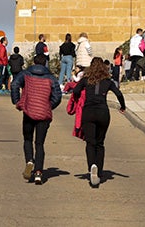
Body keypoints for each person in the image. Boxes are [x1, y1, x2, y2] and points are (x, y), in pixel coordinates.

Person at [71, 57, 126, 188]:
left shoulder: (85, 80)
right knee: (100, 143)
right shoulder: (108, 81)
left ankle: (92, 167)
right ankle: (99, 172)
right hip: (102, 112)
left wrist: (79, 99)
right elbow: (118, 93)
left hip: (88, 112)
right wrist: (122, 106)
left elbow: (76, 91)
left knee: (90, 142)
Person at [11, 53, 62, 185]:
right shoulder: (51, 78)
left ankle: (29, 161)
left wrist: (17, 101)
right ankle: (39, 173)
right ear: (45, 63)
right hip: (43, 114)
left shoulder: (25, 74)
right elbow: (58, 96)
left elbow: (14, 85)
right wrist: (48, 106)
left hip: (28, 112)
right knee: (39, 144)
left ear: (33, 62)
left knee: (27, 139)